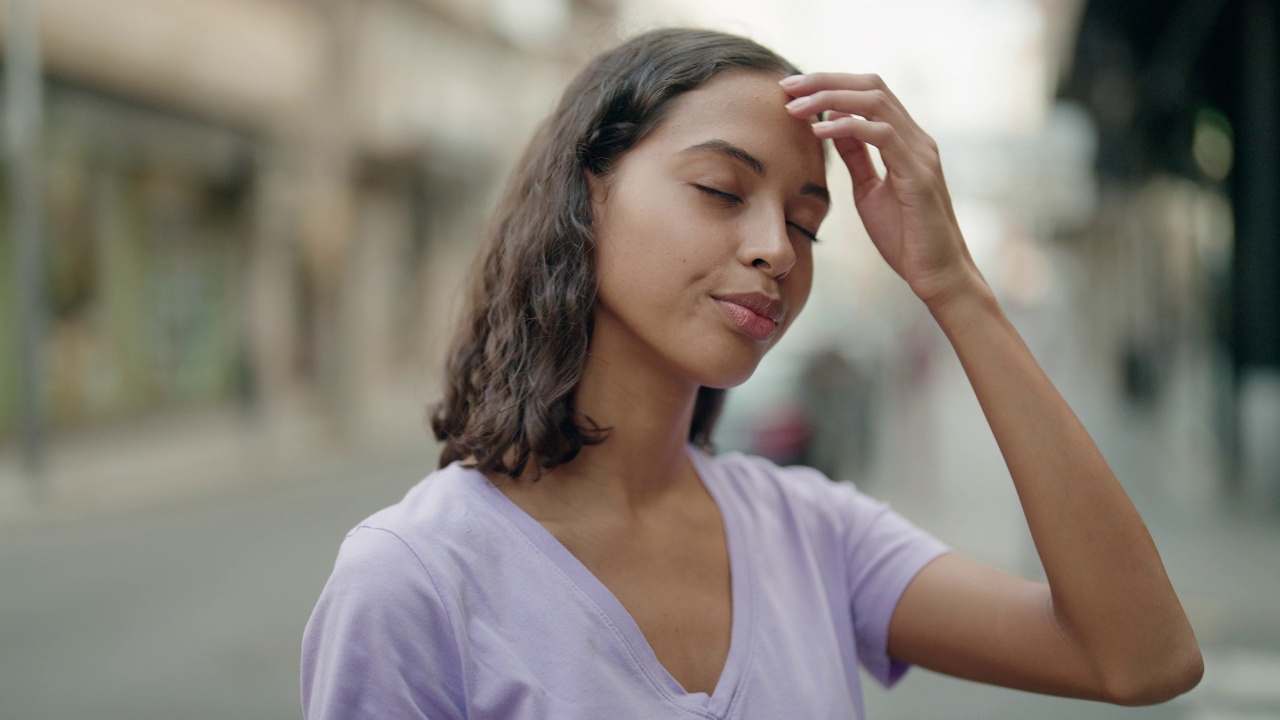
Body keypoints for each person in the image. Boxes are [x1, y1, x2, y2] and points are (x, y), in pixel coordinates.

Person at [301, 28, 1202, 719]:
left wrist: (957, 289)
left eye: (807, 224)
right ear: (587, 194)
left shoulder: (814, 534)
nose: (776, 249)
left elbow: (1141, 657)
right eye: (723, 193)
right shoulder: (414, 580)